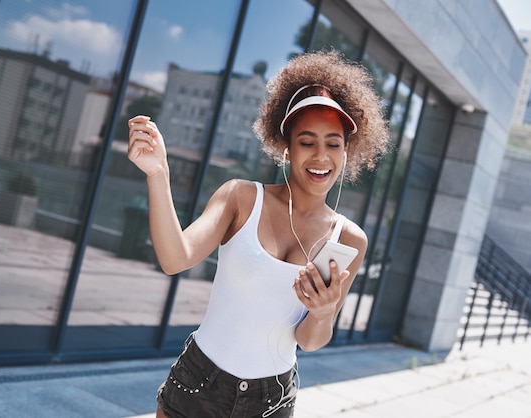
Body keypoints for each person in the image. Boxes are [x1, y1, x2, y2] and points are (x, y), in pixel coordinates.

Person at [127, 49, 389, 418]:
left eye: (333, 143)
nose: (320, 156)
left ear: (347, 152)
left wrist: (325, 311)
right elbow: (175, 258)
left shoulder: (349, 240)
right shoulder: (241, 197)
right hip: (200, 383)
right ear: (286, 147)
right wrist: (158, 174)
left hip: (272, 400)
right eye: (306, 141)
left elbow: (310, 341)